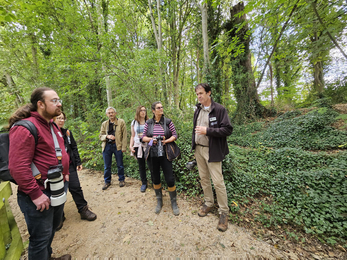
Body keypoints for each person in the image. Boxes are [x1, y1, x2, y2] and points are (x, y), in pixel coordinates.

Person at [8, 87, 72, 260]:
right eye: (54, 101)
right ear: (40, 104)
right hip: (38, 194)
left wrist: (65, 172)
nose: (59, 104)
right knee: (40, 238)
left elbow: (59, 152)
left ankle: (48, 257)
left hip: (57, 187)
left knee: (51, 230)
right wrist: (35, 194)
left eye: (59, 100)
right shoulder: (25, 128)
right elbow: (17, 167)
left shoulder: (51, 124)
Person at [191, 83, 233, 232]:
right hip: (199, 150)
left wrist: (208, 131)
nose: (199, 96)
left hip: (213, 150)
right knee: (204, 179)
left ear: (209, 93)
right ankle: (209, 203)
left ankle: (223, 212)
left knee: (218, 182)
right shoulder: (198, 109)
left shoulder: (219, 109)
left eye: (201, 93)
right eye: (197, 94)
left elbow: (227, 129)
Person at [53, 112, 97, 229]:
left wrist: (78, 162)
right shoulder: (49, 133)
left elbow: (74, 147)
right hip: (55, 169)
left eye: (63, 118)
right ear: (53, 119)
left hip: (70, 166)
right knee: (57, 192)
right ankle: (59, 216)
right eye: (58, 118)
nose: (61, 120)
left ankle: (83, 210)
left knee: (76, 187)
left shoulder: (67, 133)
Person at [142, 101, 179, 216]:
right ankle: (159, 200)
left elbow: (175, 135)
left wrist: (166, 140)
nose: (161, 109)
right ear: (153, 111)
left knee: (170, 178)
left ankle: (173, 202)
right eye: (158, 108)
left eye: (162, 107)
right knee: (155, 178)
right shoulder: (148, 122)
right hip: (152, 153)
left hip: (165, 152)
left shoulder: (168, 122)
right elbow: (143, 137)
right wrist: (151, 139)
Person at [99, 107, 127, 190]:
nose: (111, 114)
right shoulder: (104, 124)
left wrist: (123, 147)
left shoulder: (121, 122)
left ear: (115, 113)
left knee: (120, 165)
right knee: (107, 166)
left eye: (112, 112)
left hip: (117, 145)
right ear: (107, 114)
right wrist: (107, 136)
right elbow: (100, 136)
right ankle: (107, 181)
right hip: (107, 146)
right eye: (109, 113)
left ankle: (121, 180)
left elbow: (124, 135)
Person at [129, 106, 149, 192]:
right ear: (138, 112)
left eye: (144, 110)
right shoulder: (134, 122)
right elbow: (133, 135)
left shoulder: (149, 122)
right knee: (141, 166)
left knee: (151, 165)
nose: (143, 112)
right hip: (138, 146)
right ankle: (144, 183)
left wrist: (151, 144)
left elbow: (152, 135)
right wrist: (131, 146)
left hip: (148, 146)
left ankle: (156, 182)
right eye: (141, 110)